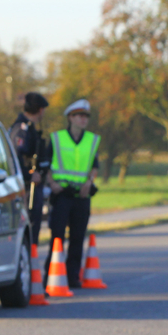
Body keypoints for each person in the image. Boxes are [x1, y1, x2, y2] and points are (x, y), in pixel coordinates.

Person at [43, 99, 100, 288]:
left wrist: (89, 183)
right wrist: (52, 183)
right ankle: (50, 274)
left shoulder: (91, 140)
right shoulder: (57, 138)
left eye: (85, 117)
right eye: (79, 116)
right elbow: (46, 164)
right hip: (62, 195)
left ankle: (72, 276)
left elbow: (94, 166)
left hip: (81, 196)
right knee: (57, 236)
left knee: (77, 237)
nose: (83, 120)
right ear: (70, 118)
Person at [9, 92, 49, 244]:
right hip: (27, 188)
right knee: (29, 226)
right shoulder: (22, 129)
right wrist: (29, 175)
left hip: (32, 185)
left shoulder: (29, 128)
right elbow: (15, 156)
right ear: (39, 109)